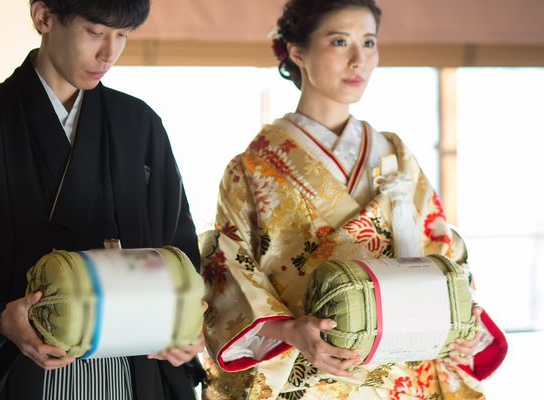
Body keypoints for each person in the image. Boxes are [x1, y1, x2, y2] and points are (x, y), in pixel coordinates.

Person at [200, 0, 506, 398]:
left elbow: (441, 249)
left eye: (369, 42)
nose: (359, 60)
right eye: (340, 42)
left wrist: (461, 319)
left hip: (402, 373)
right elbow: (229, 266)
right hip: (310, 368)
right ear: (298, 52)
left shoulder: (395, 155)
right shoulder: (252, 168)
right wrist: (289, 329)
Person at [0, 1, 204, 399]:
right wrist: (0, 319)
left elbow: (178, 249)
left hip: (129, 374)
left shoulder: (140, 124)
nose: (109, 53)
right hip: (23, 370)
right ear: (44, 17)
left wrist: (182, 321)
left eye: (122, 35)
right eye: (95, 32)